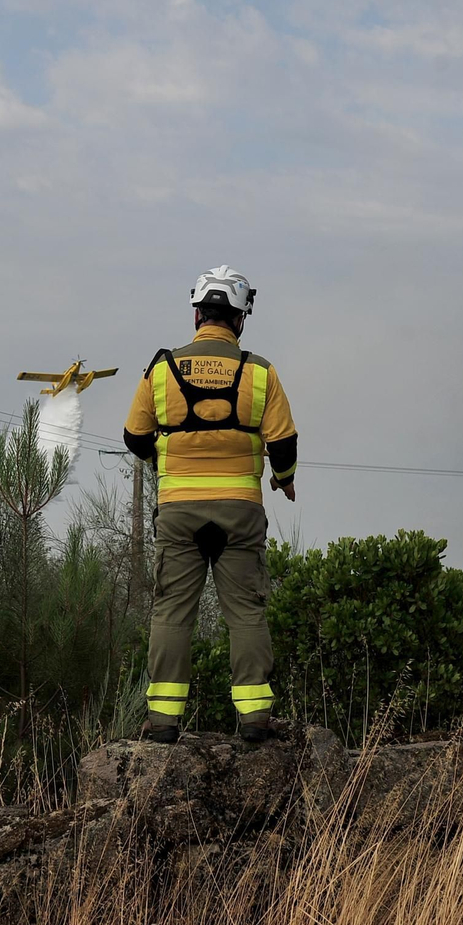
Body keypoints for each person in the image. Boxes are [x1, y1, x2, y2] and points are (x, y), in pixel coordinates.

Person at [122, 265, 298, 744]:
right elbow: (283, 445)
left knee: (172, 611)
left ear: (198, 313)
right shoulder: (261, 372)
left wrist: (167, 457)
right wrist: (284, 479)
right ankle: (255, 718)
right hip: (240, 513)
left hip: (178, 512)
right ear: (239, 320)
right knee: (245, 611)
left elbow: (134, 437)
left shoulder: (161, 369)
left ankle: (162, 723)